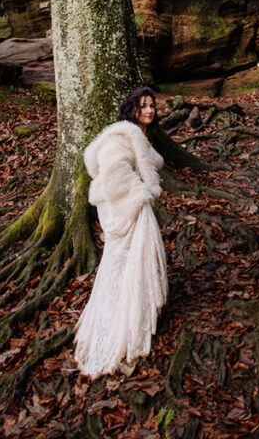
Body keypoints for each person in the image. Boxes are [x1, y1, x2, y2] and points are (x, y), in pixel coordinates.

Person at [73, 86, 168, 378]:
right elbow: (114, 174)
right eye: (143, 106)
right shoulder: (121, 136)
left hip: (127, 206)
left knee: (129, 262)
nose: (149, 110)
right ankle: (119, 324)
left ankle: (135, 312)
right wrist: (139, 194)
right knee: (122, 262)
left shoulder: (137, 137)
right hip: (124, 208)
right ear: (131, 109)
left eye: (152, 105)